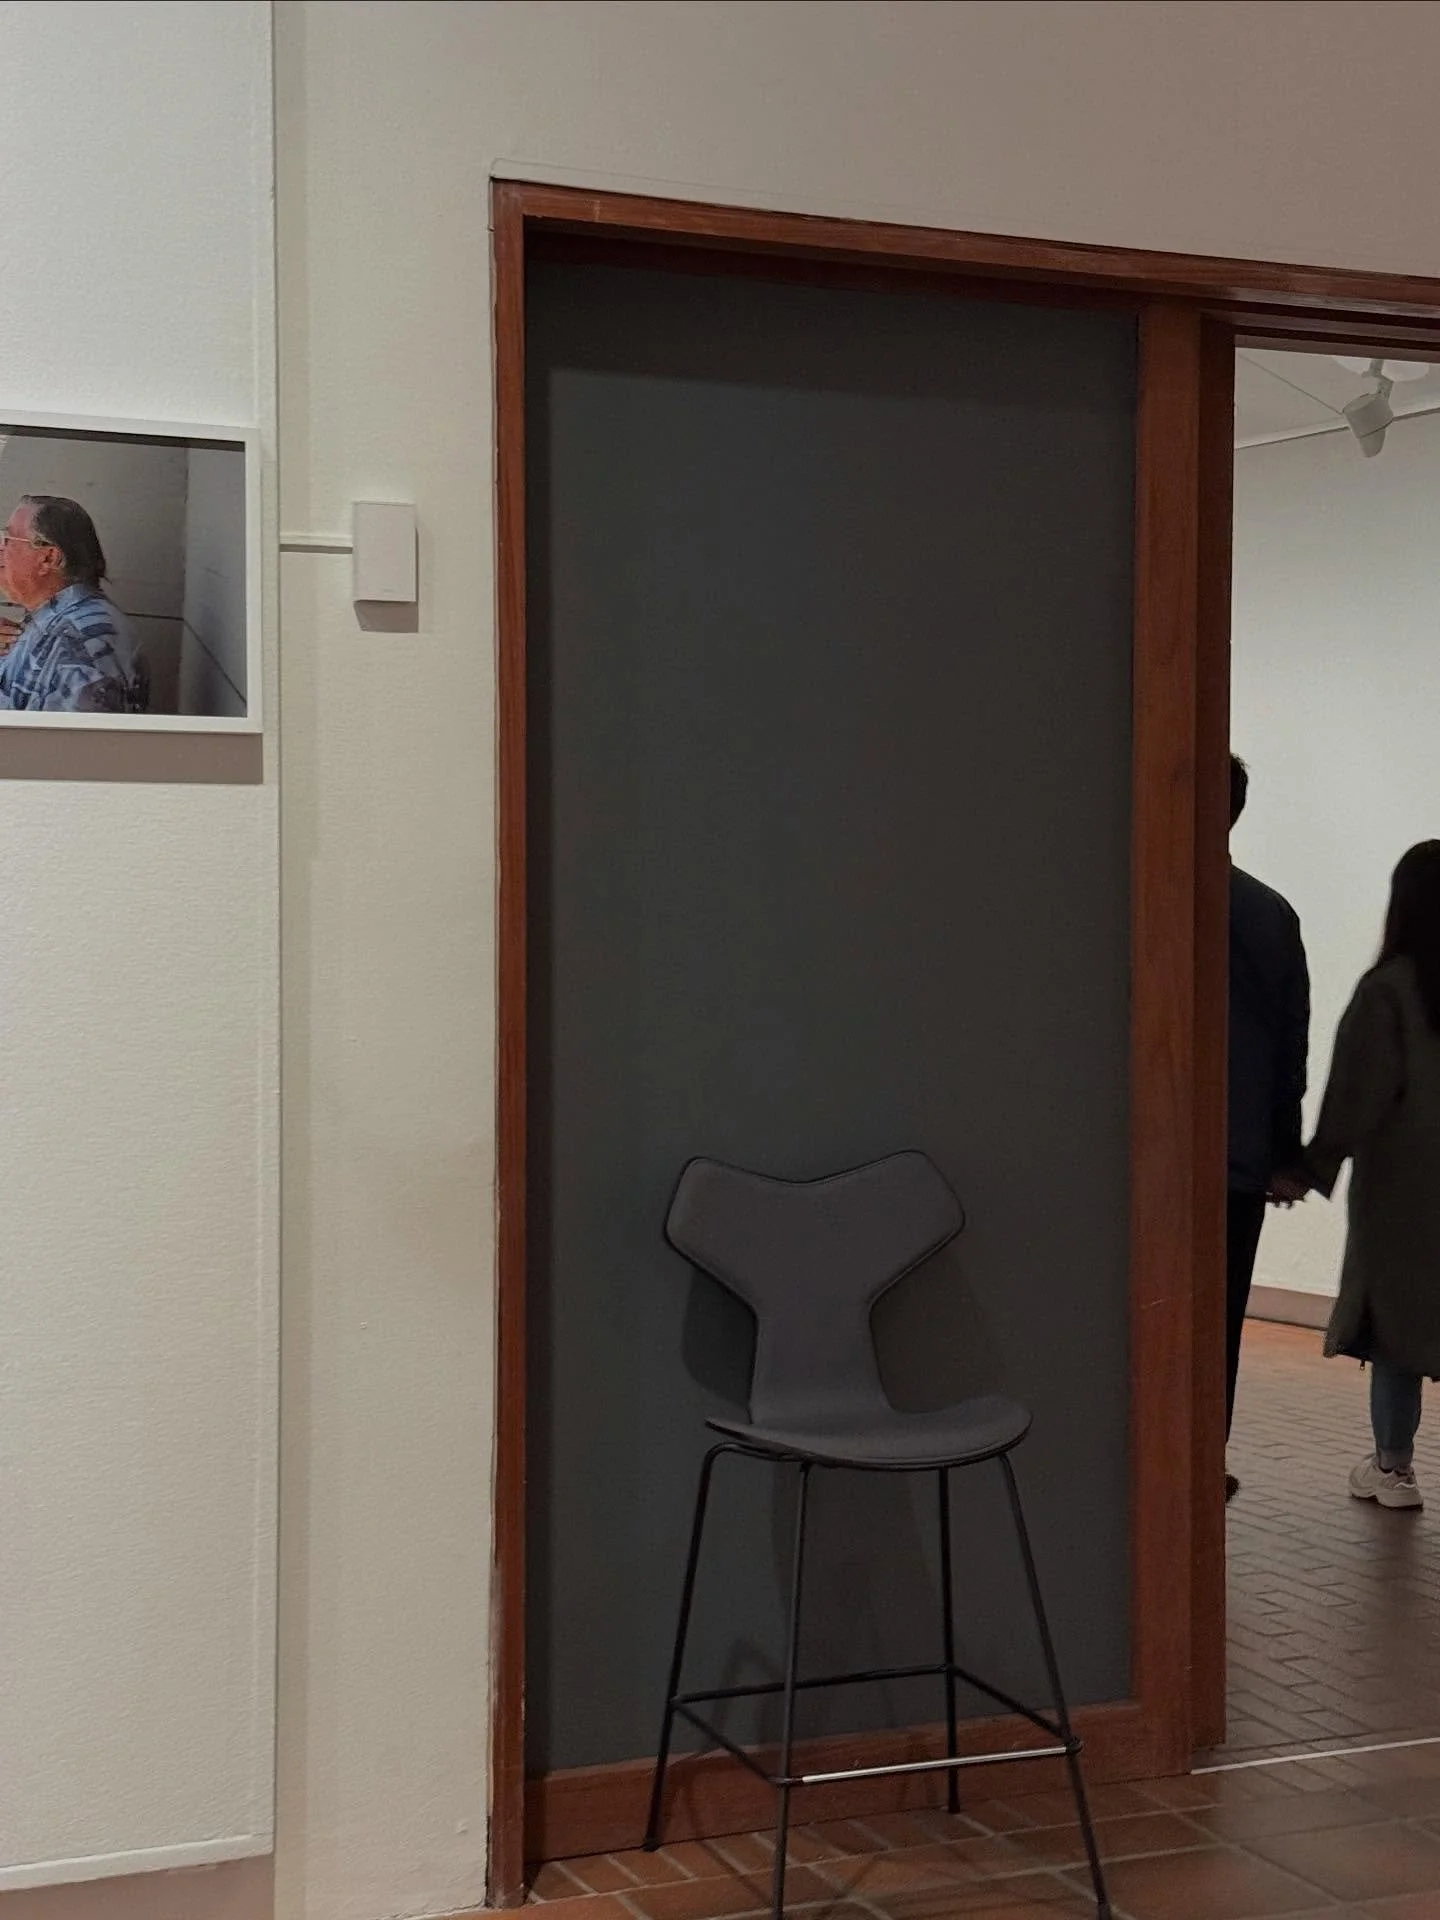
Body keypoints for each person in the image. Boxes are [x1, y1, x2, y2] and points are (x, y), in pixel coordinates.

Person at [1306, 841, 1440, 1511]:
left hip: (1405, 1193)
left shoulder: (1389, 991)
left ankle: (1394, 1468)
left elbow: (1356, 1094)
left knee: (1395, 1331)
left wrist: (1313, 1163)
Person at [1227, 753, 1310, 1499]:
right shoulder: (1270, 914)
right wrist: (1285, 1155)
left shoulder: (1137, 900)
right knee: (1221, 1321)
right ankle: (1201, 1454)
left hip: (1146, 1164)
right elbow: (1290, 1049)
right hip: (1240, 1158)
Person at [0, 495, 148, 713]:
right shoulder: (51, 621)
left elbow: (66, 736)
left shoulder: (81, 644)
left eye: (8, 540)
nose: (1, 549)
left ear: (48, 558)